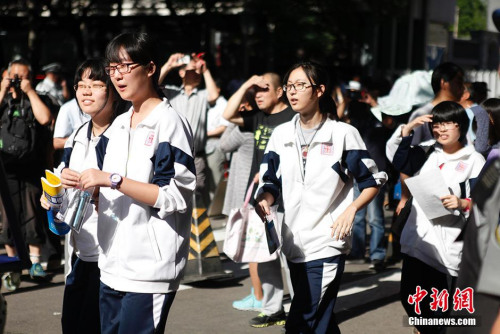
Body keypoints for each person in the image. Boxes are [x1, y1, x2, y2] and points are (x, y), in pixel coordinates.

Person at [255, 61, 387, 333]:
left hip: (327, 242)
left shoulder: (341, 134)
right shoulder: (281, 135)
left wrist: (351, 209)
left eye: (300, 85)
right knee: (320, 320)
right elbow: (271, 181)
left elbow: (372, 180)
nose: (293, 92)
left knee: (303, 319)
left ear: (319, 90)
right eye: (289, 86)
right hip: (292, 243)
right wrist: (266, 200)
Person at [78, 32, 196, 334]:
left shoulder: (170, 123)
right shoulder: (119, 123)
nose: (117, 75)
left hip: (149, 270)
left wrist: (111, 180)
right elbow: (111, 190)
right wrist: (90, 189)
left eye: (126, 66)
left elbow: (174, 196)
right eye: (112, 67)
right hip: (111, 264)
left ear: (150, 68)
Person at [40, 57, 125, 333]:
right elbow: (66, 185)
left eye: (96, 84)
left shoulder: (125, 134)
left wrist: (103, 188)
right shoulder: (78, 134)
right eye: (80, 85)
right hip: (81, 251)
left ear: (112, 90)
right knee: (72, 325)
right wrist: (54, 197)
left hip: (113, 257)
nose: (85, 91)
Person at [386, 101, 485, 334]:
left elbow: (484, 202)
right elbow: (399, 160)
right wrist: (407, 130)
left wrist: (462, 203)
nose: (441, 130)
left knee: (440, 308)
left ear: (461, 126)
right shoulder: (428, 151)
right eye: (437, 124)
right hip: (418, 241)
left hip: (448, 247)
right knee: (410, 297)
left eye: (448, 123)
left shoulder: (473, 160)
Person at [223, 72, 296, 328]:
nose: (258, 94)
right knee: (266, 257)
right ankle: (273, 309)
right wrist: (246, 84)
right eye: (256, 91)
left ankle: (300, 312)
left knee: (292, 260)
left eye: (264, 89)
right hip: (262, 200)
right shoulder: (258, 117)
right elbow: (227, 114)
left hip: (289, 200)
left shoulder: (292, 117)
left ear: (280, 92)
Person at [0, 58, 53, 290]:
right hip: (5, 168)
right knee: (7, 217)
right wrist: (3, 89)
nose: (18, 81)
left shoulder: (37, 99)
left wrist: (30, 91)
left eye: (24, 76)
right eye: (15, 76)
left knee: (33, 213)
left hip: (31, 165)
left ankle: (35, 262)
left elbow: (44, 118)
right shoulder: (3, 100)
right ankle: (13, 266)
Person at [160, 52, 219, 208]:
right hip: (172, 154)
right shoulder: (171, 93)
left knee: (196, 196)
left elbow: (214, 95)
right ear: (182, 72)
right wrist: (169, 65)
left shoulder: (202, 95)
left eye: (198, 71)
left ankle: (195, 231)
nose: (196, 73)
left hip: (196, 156)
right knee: (170, 194)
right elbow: (152, 85)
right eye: (192, 70)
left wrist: (205, 70)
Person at [205, 79, 229, 198]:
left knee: (215, 179)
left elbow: (224, 127)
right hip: (202, 145)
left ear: (217, 89)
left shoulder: (223, 104)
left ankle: (216, 208)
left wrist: (206, 134)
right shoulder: (207, 103)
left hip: (215, 144)